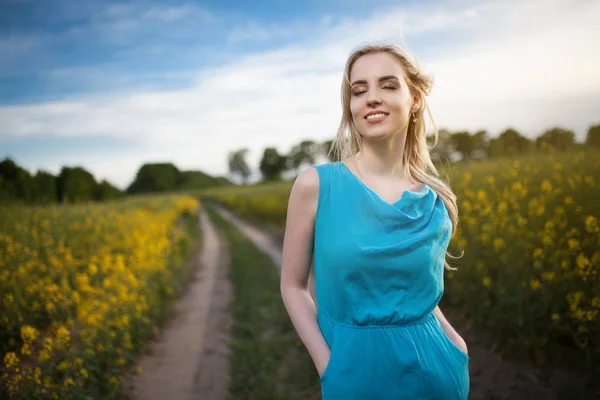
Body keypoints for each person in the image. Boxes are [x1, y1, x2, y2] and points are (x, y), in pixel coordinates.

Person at [279, 41, 470, 400]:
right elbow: (292, 286)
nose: (371, 97)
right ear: (350, 105)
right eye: (359, 90)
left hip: (438, 373)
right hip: (354, 378)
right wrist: (328, 365)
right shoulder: (317, 185)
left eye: (388, 84)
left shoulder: (435, 197)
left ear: (414, 99)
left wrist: (454, 343)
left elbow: (418, 291)